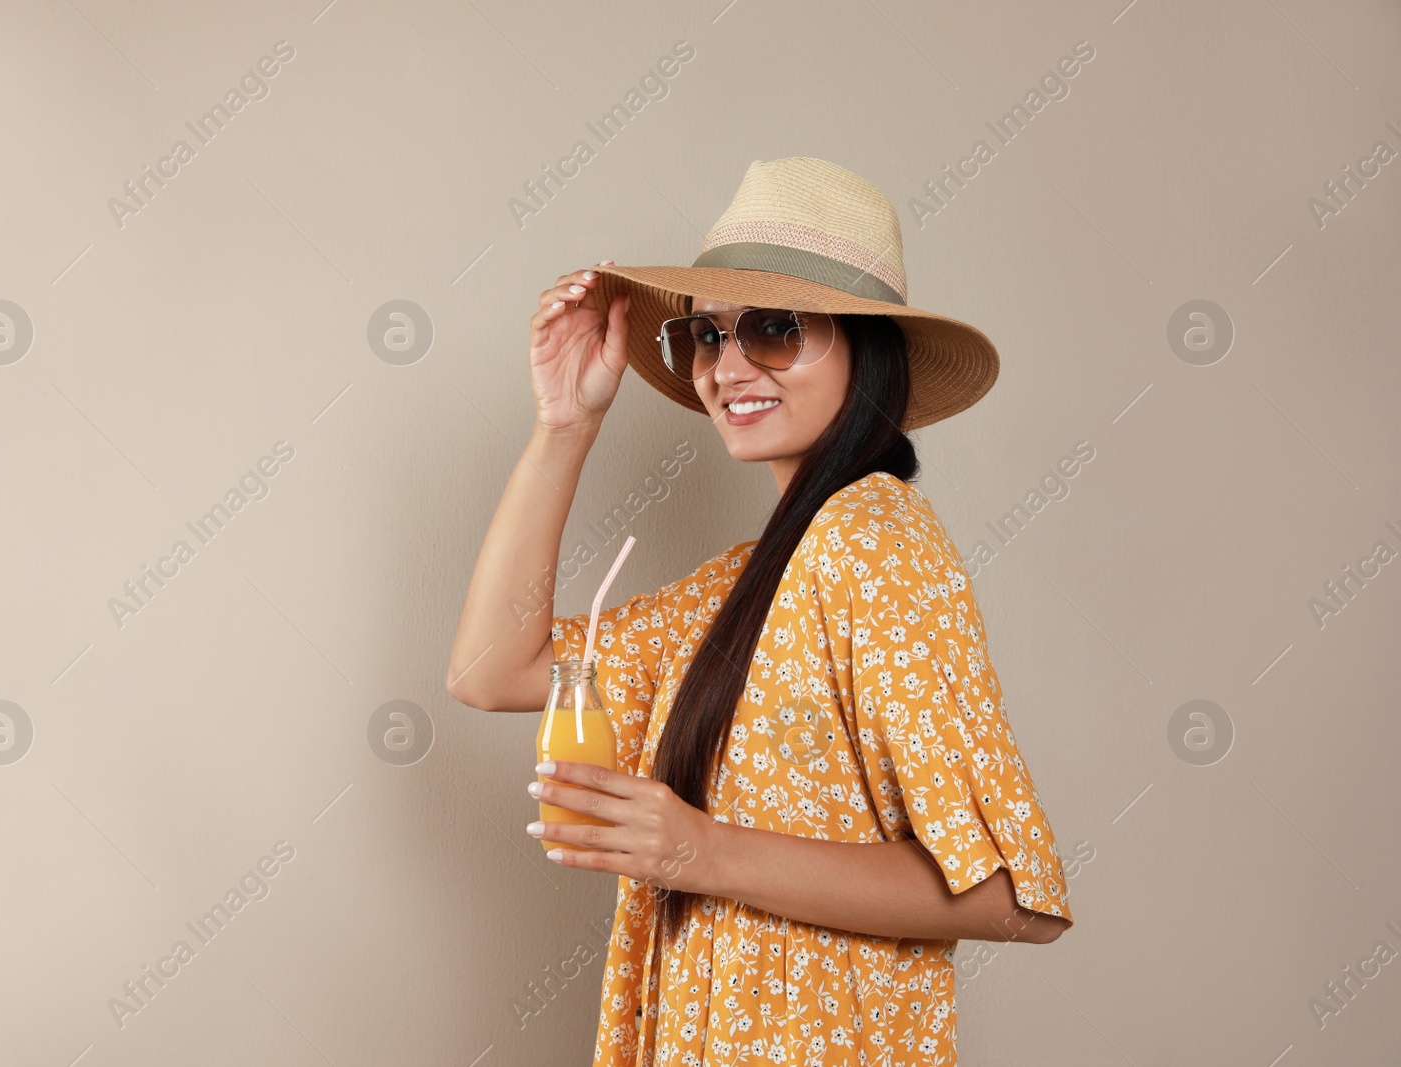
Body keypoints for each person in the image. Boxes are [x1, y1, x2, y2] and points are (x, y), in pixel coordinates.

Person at [448, 157, 1074, 1066]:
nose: (726, 367)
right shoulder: (753, 580)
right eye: (707, 336)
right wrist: (564, 426)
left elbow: (1011, 892)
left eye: (775, 329)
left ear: (868, 346)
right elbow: (490, 670)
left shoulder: (872, 539)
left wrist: (697, 850)